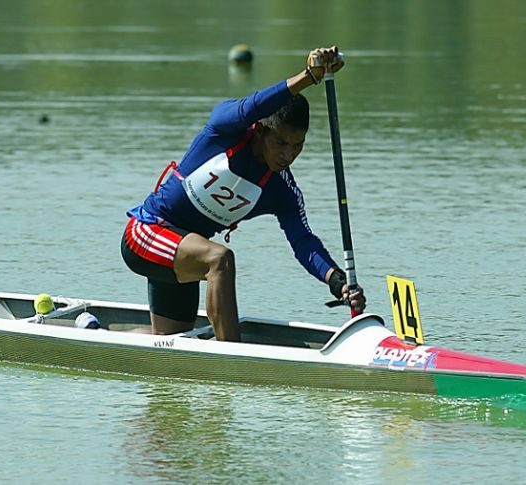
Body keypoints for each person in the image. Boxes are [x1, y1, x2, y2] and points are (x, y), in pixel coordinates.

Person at [120, 45, 366, 342]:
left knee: (170, 338)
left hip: (186, 251)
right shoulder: (224, 130)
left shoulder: (282, 190)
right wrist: (309, 76)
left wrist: (336, 280)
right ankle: (231, 357)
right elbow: (251, 105)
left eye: (297, 145)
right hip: (146, 233)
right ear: (261, 130)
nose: (288, 155)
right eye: (281, 143)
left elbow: (304, 242)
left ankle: (94, 335)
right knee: (220, 259)